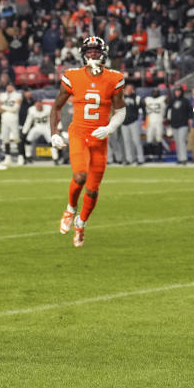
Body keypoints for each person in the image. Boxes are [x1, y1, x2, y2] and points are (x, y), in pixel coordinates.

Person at [50, 36, 126, 248]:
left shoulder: (114, 78)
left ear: (104, 53)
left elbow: (121, 109)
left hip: (100, 138)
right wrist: (54, 133)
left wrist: (110, 127)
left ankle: (81, 224)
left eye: (96, 50)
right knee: (80, 175)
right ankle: (70, 208)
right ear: (83, 53)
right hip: (78, 134)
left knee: (93, 190)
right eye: (90, 51)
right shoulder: (73, 76)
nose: (93, 54)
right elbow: (56, 107)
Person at [165, 86, 193, 165]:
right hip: (174, 124)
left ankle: (184, 159)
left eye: (179, 91)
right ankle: (180, 158)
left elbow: (190, 111)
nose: (177, 93)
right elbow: (167, 110)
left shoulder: (186, 101)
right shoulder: (172, 100)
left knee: (182, 141)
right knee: (177, 142)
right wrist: (165, 118)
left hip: (183, 124)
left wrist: (190, 119)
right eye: (176, 91)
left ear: (181, 92)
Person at [120, 84, 145, 165]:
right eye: (127, 88)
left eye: (130, 88)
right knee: (127, 142)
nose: (129, 90)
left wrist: (143, 118)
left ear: (133, 89)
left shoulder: (137, 98)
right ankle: (129, 159)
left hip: (134, 122)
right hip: (124, 123)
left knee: (136, 141)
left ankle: (140, 159)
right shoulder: (121, 98)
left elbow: (143, 108)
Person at [0, 84, 22, 166]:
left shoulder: (17, 95)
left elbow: (15, 108)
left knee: (16, 138)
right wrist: (7, 108)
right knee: (5, 139)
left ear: (13, 87)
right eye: (7, 86)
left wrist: (4, 107)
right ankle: (7, 157)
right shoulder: (2, 95)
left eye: (10, 86)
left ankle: (21, 156)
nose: (8, 88)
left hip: (13, 119)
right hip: (4, 119)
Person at [144, 88, 167, 162]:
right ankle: (150, 157)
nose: (155, 93)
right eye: (154, 91)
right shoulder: (148, 99)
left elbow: (168, 99)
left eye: (157, 92)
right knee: (149, 140)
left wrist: (168, 88)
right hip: (150, 122)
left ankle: (160, 157)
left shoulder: (162, 99)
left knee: (159, 139)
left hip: (159, 121)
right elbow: (142, 103)